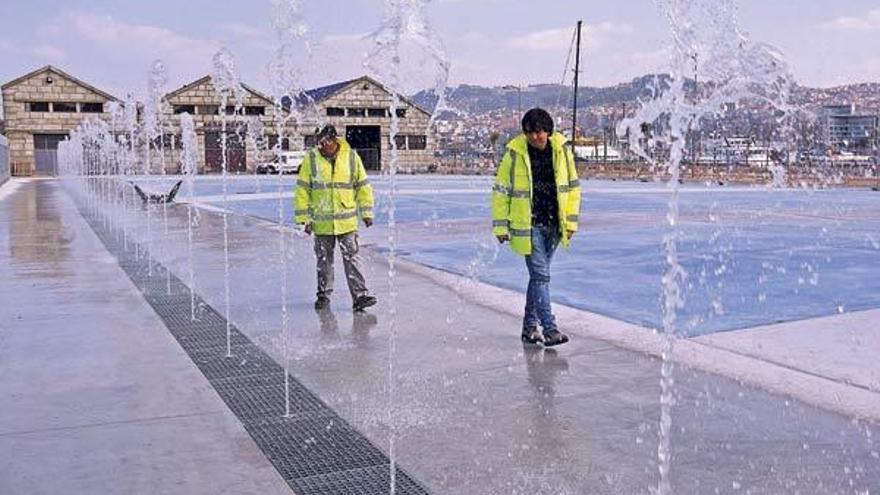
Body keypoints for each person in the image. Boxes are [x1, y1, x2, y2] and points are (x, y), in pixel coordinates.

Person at [491, 108, 581, 347]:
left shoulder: (562, 152)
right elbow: (501, 191)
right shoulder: (514, 153)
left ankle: (529, 328)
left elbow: (573, 189)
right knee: (541, 275)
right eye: (530, 132)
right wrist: (501, 226)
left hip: (554, 224)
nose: (534, 137)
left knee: (537, 278)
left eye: (539, 132)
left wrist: (570, 222)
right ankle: (549, 328)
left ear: (548, 132)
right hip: (529, 225)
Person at [294, 125, 377, 311]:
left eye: (324, 142)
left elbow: (362, 186)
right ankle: (323, 295)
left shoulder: (351, 157)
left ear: (333, 140)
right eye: (318, 142)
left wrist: (366, 213)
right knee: (324, 260)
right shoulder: (312, 159)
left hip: (346, 221)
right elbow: (302, 189)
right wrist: (304, 219)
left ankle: (360, 296)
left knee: (352, 258)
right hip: (322, 222)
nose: (320, 146)